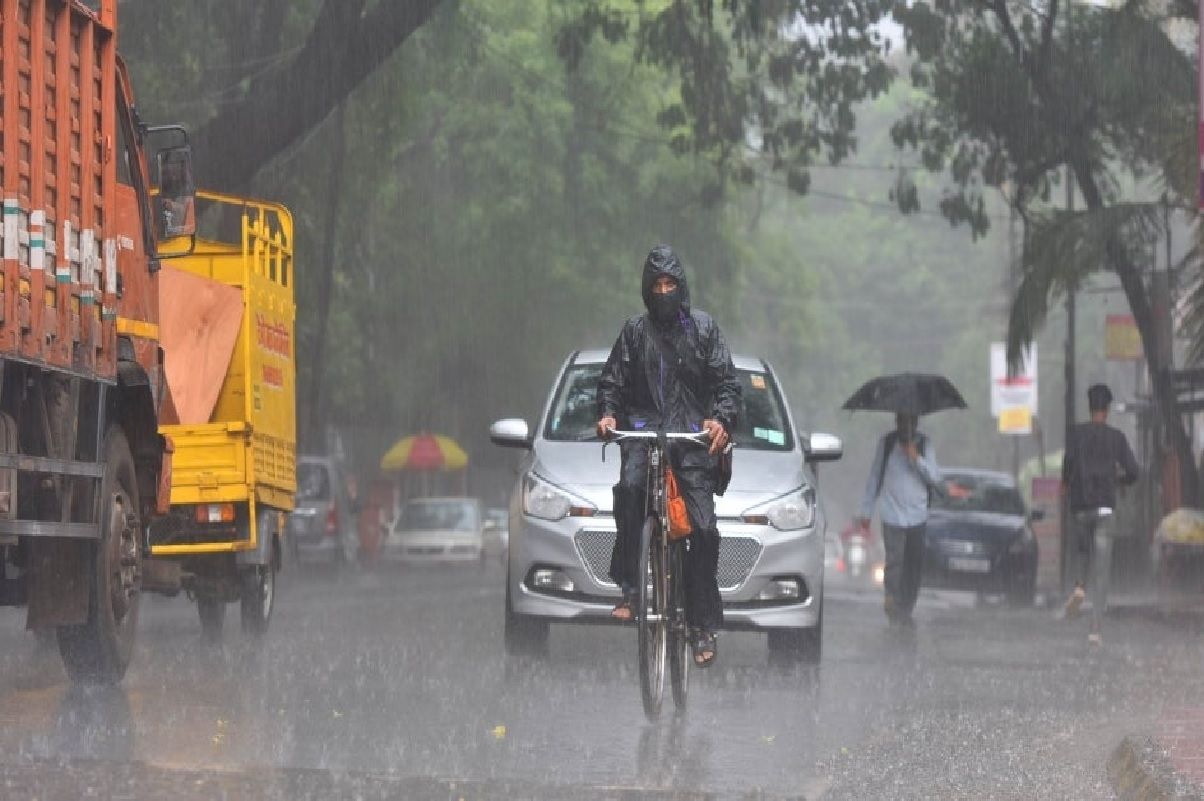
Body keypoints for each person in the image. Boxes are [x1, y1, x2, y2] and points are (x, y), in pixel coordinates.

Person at [595, 244, 741, 668]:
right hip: (643, 431)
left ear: (681, 286)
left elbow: (727, 385)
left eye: (669, 283)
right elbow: (612, 381)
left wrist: (719, 420)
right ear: (647, 289)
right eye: (656, 284)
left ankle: (701, 625)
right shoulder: (634, 333)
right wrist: (607, 414)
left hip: (693, 438)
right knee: (629, 489)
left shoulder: (704, 330)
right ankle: (631, 588)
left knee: (704, 530)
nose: (663, 291)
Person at [1061, 383, 1139, 645]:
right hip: (1105, 507)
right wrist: (1121, 479)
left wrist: (1065, 484)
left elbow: (1068, 464)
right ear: (1106, 410)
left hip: (1081, 506)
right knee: (1103, 571)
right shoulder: (1116, 438)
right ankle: (1095, 628)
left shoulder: (1076, 434)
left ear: (1090, 407)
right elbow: (1134, 472)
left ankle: (1079, 587)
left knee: (1083, 552)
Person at [856, 413, 942, 626]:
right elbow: (875, 477)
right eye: (902, 421)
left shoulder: (924, 444)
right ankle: (892, 599)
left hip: (917, 516)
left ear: (916, 422)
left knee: (914, 564)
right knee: (895, 560)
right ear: (897, 422)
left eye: (910, 421)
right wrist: (866, 512)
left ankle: (906, 606)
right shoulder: (886, 444)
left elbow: (935, 478)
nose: (906, 425)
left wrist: (916, 458)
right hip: (891, 514)